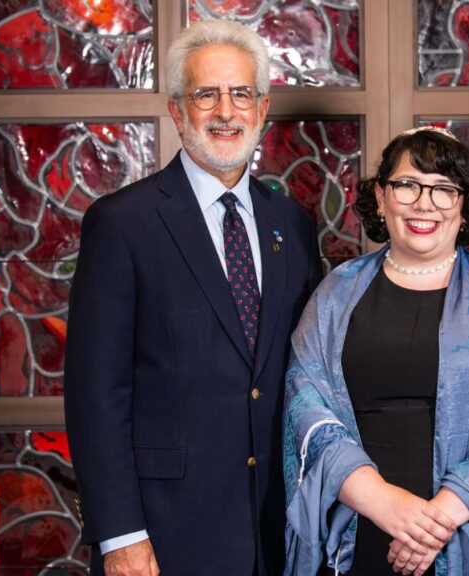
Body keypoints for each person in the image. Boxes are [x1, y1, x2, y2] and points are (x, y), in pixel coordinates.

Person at [63, 20, 321, 576]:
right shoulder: (121, 225)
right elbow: (95, 395)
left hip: (278, 529)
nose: (225, 111)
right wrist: (120, 536)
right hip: (164, 535)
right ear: (178, 111)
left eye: (240, 94)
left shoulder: (293, 225)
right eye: (207, 94)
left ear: (262, 107)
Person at [281, 127, 469, 576]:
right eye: (408, 185)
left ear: (464, 206)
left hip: (468, 531)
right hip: (361, 527)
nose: (424, 203)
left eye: (444, 189)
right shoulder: (336, 293)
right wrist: (382, 502)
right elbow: (303, 399)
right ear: (382, 198)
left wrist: (437, 520)